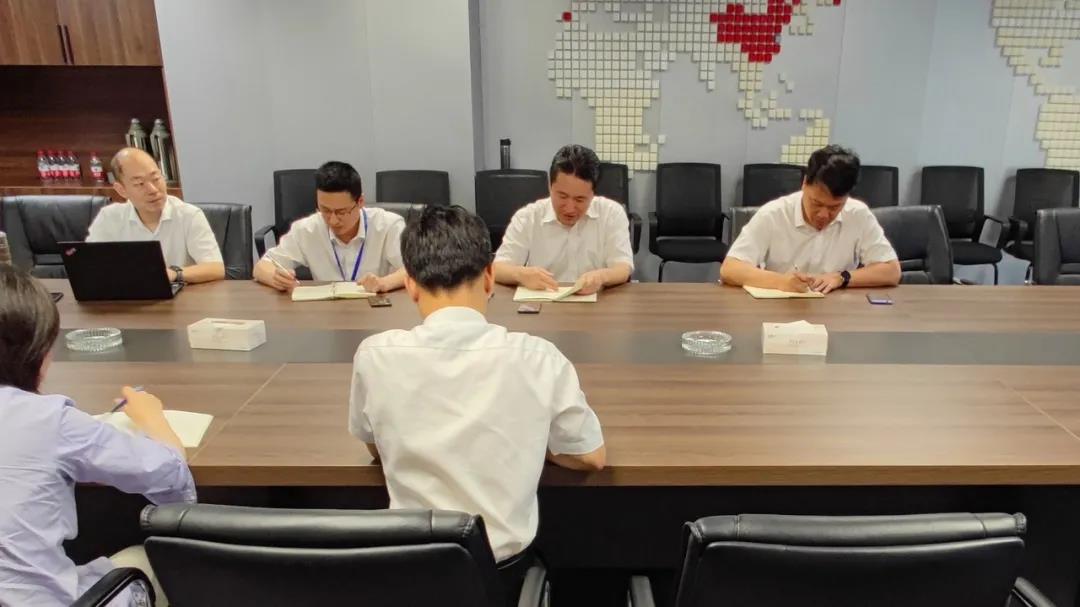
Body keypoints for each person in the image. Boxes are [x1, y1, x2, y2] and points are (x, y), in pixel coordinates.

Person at [349, 205, 605, 597]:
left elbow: (374, 446)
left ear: (411, 284)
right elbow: (590, 456)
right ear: (489, 277)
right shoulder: (538, 357)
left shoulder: (375, 356)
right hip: (503, 580)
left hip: (408, 576)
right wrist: (530, 439)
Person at [0, 266, 195, 607]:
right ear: (39, 353)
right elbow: (172, 481)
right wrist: (152, 419)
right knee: (156, 560)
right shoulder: (50, 420)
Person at [720, 145, 901, 293]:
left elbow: (892, 271)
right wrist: (781, 282)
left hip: (836, 312)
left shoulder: (858, 214)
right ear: (805, 183)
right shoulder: (773, 214)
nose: (823, 215)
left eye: (834, 207)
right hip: (781, 310)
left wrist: (842, 277)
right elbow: (730, 268)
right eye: (816, 203)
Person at [493, 144, 634, 295]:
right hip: (543, 304)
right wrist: (521, 274)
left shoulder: (612, 214)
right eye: (562, 196)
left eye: (579, 199)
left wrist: (601, 277)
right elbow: (497, 268)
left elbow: (623, 268)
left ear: (593, 193)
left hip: (595, 303)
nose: (570, 208)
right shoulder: (527, 217)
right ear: (550, 186)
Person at [254, 161, 406, 294]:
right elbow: (261, 267)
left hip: (376, 308)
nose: (333, 220)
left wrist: (384, 283)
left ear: (360, 202)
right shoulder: (307, 229)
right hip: (326, 311)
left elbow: (413, 271)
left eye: (341, 212)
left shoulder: (388, 226)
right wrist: (277, 278)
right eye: (325, 210)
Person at [87, 147, 225, 284]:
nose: (153, 190)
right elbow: (90, 265)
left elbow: (216, 269)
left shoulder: (189, 215)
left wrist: (174, 273)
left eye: (156, 178)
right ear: (121, 190)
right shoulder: (108, 217)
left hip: (181, 293)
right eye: (139, 183)